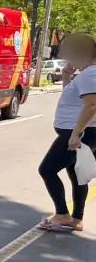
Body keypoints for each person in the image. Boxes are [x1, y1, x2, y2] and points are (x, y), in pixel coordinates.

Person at [38, 33, 96, 232]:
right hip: (83, 132)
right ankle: (76, 219)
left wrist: (75, 134)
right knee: (76, 173)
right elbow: (74, 101)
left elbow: (92, 105)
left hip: (80, 132)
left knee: (47, 170)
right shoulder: (88, 73)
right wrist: (66, 78)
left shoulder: (90, 73)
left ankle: (62, 213)